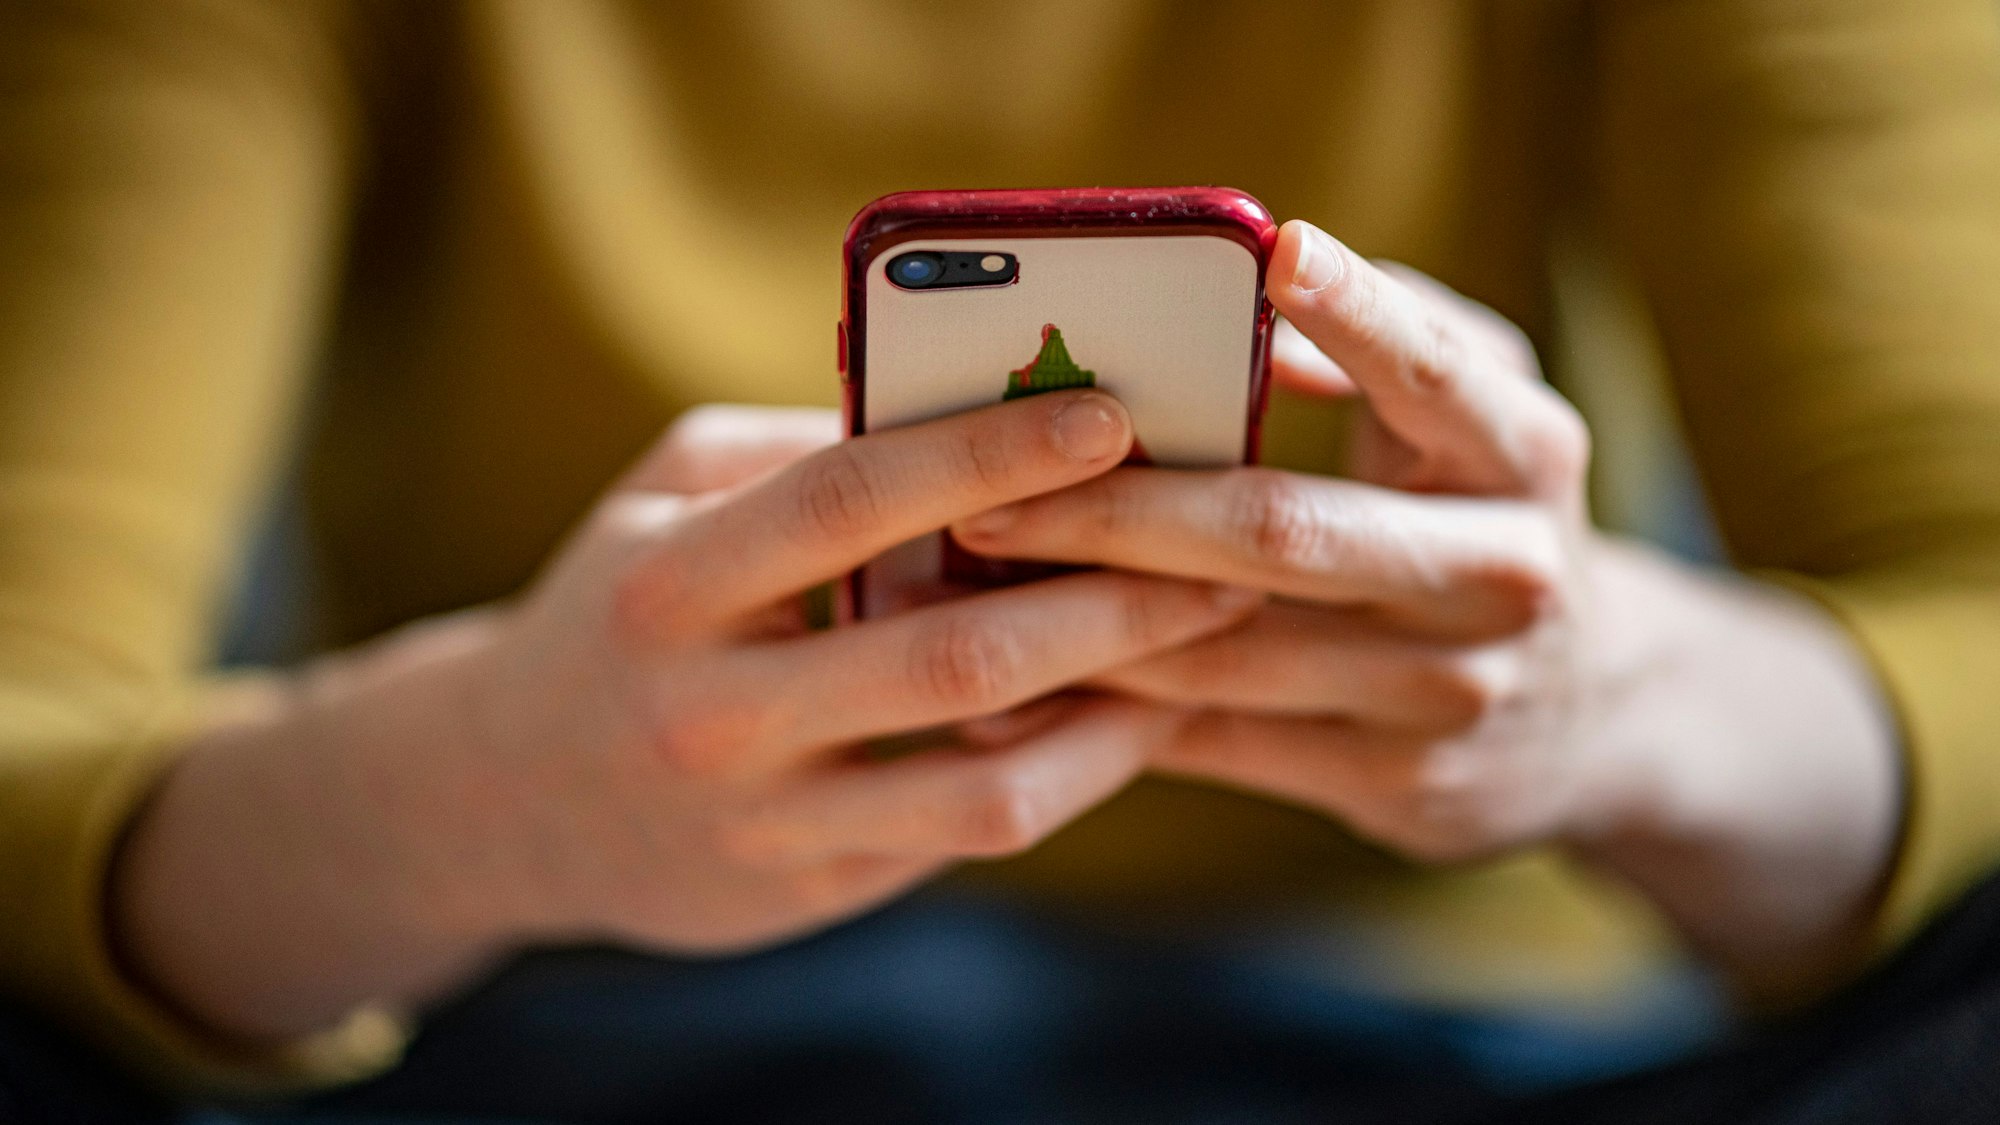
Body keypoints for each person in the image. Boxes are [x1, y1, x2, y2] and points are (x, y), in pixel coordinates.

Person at [1, 1, 1996, 1120]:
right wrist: (463, 810)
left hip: (1449, 1056)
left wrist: (1610, 708)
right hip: (563, 1051)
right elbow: (26, 718)